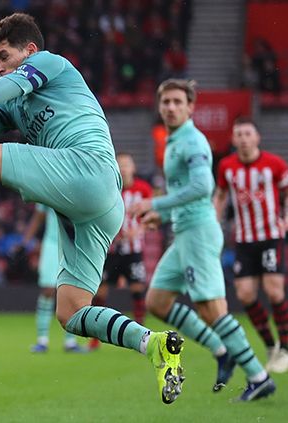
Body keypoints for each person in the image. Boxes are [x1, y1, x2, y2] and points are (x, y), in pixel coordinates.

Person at [0, 12, 184, 403]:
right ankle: (154, 344)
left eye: (3, 57)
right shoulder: (16, 104)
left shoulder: (49, 63)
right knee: (72, 312)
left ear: (30, 50)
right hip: (99, 206)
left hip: (86, 167)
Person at [129, 79, 276, 401]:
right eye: (165, 101)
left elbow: (201, 188)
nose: (170, 107)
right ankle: (221, 350)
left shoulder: (192, 141)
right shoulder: (173, 140)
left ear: (190, 107)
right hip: (183, 231)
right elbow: (187, 194)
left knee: (211, 308)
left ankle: (259, 376)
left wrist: (155, 203)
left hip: (197, 232)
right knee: (157, 302)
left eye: (177, 102)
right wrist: (164, 216)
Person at [213, 116, 288, 373]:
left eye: (248, 134)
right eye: (239, 134)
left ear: (257, 138)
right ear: (234, 139)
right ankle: (271, 345)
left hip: (270, 236)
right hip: (244, 239)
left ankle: (286, 347)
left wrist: (285, 219)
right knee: (245, 295)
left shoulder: (274, 164)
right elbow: (221, 195)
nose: (244, 139)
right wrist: (214, 223)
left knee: (275, 291)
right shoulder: (226, 166)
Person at [88, 153, 153, 351]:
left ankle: (142, 333)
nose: (124, 168)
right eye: (120, 164)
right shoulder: (110, 187)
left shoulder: (143, 189)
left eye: (127, 164)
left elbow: (151, 217)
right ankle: (95, 338)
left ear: (133, 168)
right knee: (101, 291)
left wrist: (139, 230)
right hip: (111, 251)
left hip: (133, 250)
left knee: (137, 289)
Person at [18, 204, 85, 353]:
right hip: (52, 244)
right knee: (48, 290)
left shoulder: (77, 187)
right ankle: (42, 340)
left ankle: (70, 341)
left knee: (72, 291)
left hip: (73, 244)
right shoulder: (49, 185)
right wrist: (25, 241)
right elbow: (39, 216)